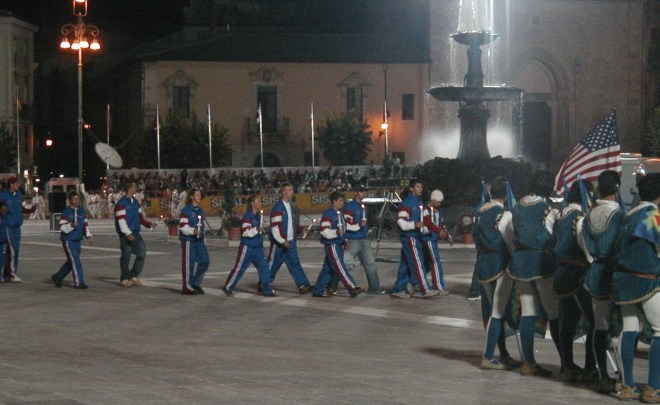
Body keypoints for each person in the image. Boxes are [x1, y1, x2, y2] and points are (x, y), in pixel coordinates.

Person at [612, 173, 660, 402]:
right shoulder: (653, 215)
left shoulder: (627, 215)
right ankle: (653, 388)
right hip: (645, 278)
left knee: (629, 328)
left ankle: (627, 386)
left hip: (622, 279)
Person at [508, 170, 560, 377]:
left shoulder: (517, 206)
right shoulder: (547, 209)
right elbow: (551, 237)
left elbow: (514, 233)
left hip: (520, 264)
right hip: (541, 263)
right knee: (554, 313)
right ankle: (566, 362)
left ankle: (528, 362)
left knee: (527, 312)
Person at [580, 170, 625, 394]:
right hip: (615, 273)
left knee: (600, 326)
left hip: (595, 272)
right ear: (616, 189)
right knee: (623, 326)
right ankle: (625, 376)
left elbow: (586, 246)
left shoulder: (589, 214)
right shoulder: (620, 215)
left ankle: (604, 375)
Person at [475, 176, 522, 370]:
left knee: (496, 311)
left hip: (482, 264)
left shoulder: (478, 213)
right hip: (499, 265)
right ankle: (488, 356)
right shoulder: (505, 215)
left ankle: (502, 353)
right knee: (497, 312)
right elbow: (510, 244)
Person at [552, 181, 596, 382]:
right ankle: (590, 367)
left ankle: (567, 365)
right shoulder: (580, 217)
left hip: (562, 272)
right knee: (594, 322)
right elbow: (586, 248)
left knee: (568, 321)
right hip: (578, 273)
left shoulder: (560, 215)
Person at [390, 179, 439, 299]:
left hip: (416, 236)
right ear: (411, 188)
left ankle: (398, 289)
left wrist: (438, 230)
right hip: (410, 236)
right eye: (417, 186)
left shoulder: (421, 203)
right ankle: (424, 289)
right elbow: (401, 222)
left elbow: (427, 220)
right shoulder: (407, 203)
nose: (420, 189)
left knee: (405, 264)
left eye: (421, 186)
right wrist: (414, 225)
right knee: (418, 262)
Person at [223, 194, 277, 297]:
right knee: (240, 268)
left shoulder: (259, 216)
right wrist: (256, 230)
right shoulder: (248, 216)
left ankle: (267, 290)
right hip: (247, 247)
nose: (261, 203)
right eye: (258, 202)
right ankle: (228, 286)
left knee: (264, 268)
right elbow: (244, 232)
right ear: (253, 204)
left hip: (258, 247)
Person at [312, 191, 363, 298]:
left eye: (343, 201)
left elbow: (342, 230)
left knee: (328, 269)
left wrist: (343, 241)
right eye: (340, 201)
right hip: (332, 245)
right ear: (334, 201)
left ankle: (318, 289)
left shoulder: (339, 214)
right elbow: (323, 231)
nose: (342, 203)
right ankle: (351, 287)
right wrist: (336, 233)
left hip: (337, 244)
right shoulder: (328, 214)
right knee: (340, 267)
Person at [267, 182, 312, 294]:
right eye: (290, 190)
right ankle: (264, 284)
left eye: (292, 190)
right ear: (283, 192)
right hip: (279, 244)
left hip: (290, 242)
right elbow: (275, 227)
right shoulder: (278, 208)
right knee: (273, 265)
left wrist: (301, 230)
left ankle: (303, 284)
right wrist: (282, 241)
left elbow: (292, 224)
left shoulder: (291, 206)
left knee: (295, 263)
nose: (292, 192)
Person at [340, 185, 384, 294]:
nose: (364, 193)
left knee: (370, 263)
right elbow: (346, 224)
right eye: (362, 192)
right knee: (345, 264)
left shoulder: (363, 206)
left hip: (363, 239)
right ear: (356, 193)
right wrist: (359, 225)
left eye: (365, 191)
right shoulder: (350, 206)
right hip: (353, 239)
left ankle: (374, 288)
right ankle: (330, 285)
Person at [114, 182, 156, 287]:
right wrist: (127, 233)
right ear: (129, 189)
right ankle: (124, 278)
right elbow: (121, 220)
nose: (135, 188)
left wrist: (149, 224)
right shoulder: (121, 203)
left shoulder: (136, 202)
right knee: (126, 256)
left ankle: (133, 275)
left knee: (142, 253)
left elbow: (139, 217)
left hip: (136, 233)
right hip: (126, 234)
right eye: (133, 186)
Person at [50, 191, 93, 289]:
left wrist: (88, 235)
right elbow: (62, 227)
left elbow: (85, 225)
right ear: (70, 200)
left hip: (77, 240)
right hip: (68, 240)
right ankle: (79, 282)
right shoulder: (66, 212)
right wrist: (71, 225)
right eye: (74, 199)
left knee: (71, 261)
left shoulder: (82, 211)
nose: (76, 201)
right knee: (76, 261)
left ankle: (57, 277)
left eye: (78, 199)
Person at [0, 176, 32, 282]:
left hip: (17, 227)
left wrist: (33, 208)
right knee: (12, 250)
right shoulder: (3, 196)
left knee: (15, 250)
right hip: (8, 226)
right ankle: (12, 274)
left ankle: (8, 273)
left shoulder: (19, 195)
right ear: (11, 184)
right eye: (16, 183)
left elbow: (24, 208)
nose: (18, 185)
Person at [420, 189, 452, 295]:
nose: (439, 204)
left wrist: (447, 236)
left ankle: (413, 281)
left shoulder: (437, 211)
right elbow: (429, 224)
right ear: (432, 199)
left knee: (427, 264)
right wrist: (440, 232)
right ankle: (438, 286)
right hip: (428, 238)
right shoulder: (425, 209)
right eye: (438, 201)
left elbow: (441, 224)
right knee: (435, 262)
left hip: (433, 238)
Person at [178, 189, 210, 295]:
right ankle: (187, 287)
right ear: (192, 197)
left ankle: (196, 282)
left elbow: (202, 226)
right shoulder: (186, 210)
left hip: (199, 241)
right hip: (189, 241)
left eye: (200, 195)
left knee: (205, 261)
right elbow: (182, 227)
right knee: (189, 264)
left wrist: (202, 235)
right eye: (197, 195)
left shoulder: (200, 211)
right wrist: (193, 231)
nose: (199, 197)